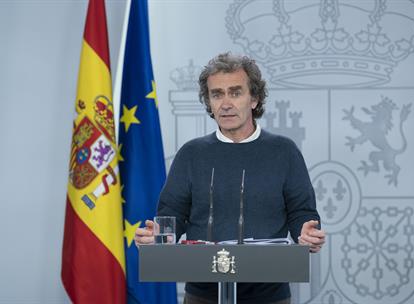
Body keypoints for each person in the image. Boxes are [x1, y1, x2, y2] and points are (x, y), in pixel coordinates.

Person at [135, 52, 325, 304]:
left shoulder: (284, 151)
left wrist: (307, 232)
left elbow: (302, 213)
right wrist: (158, 236)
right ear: (209, 102)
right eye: (217, 94)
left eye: (235, 93)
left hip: (269, 295)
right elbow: (172, 216)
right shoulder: (191, 154)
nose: (225, 103)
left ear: (254, 99)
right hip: (202, 295)